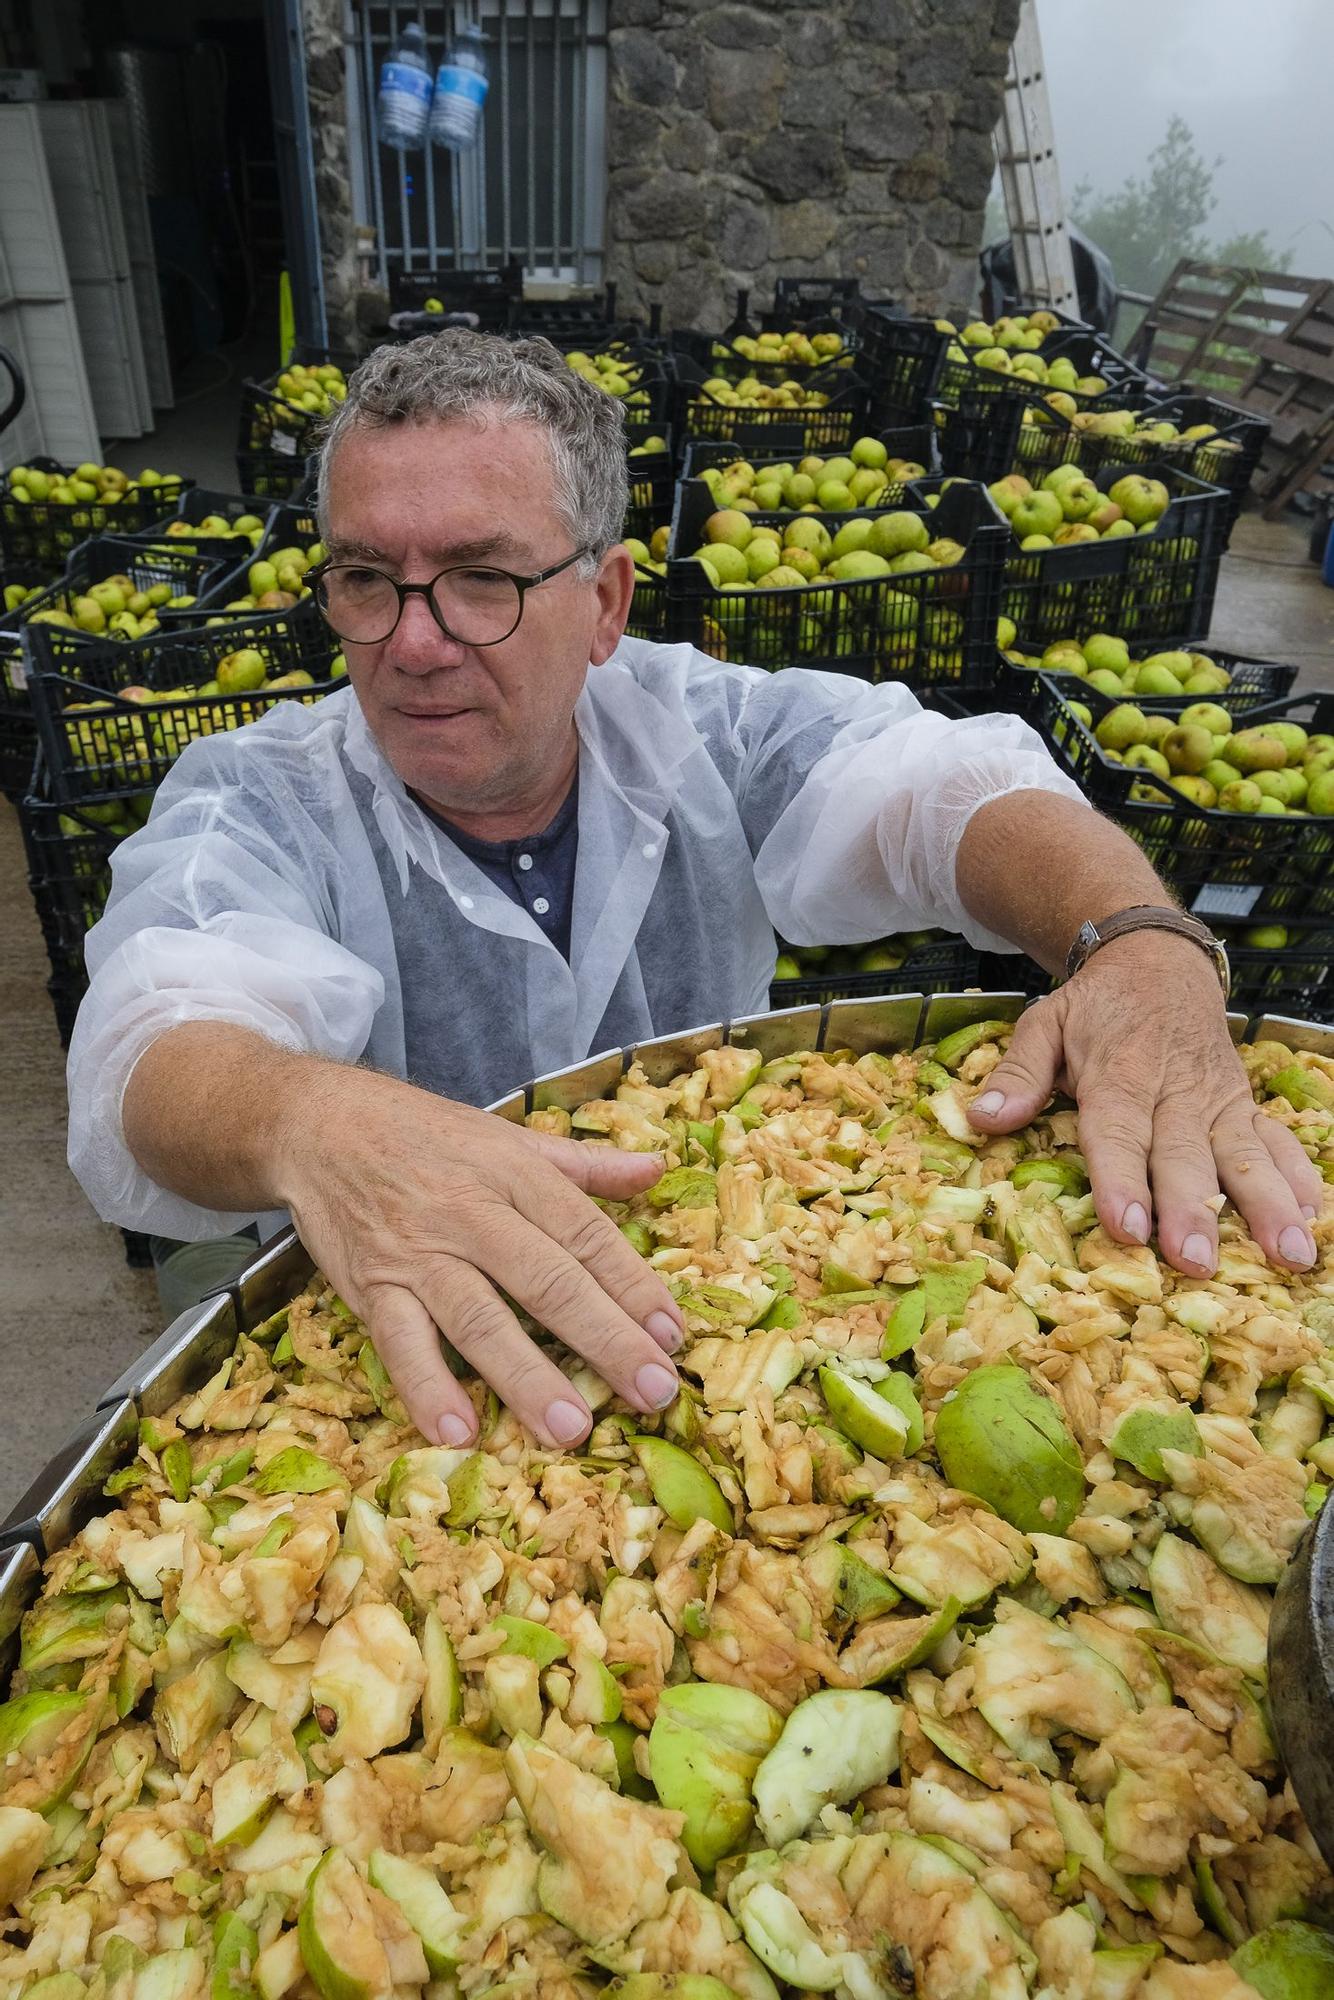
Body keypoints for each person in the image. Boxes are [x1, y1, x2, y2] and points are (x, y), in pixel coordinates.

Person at [68, 332, 1320, 1453]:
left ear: (603, 601)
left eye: (479, 579)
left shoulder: (699, 733)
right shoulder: (264, 794)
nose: (411, 639)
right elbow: (154, 1029)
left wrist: (1138, 941)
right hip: (406, 1307)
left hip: (710, 1289)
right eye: (364, 580)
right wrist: (309, 1121)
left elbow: (945, 790)